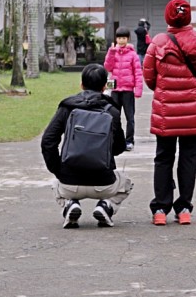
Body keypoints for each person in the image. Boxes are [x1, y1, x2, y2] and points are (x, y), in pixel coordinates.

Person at [143, 0, 196, 226]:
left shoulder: (158, 42)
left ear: (167, 17)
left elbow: (149, 78)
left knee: (163, 158)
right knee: (189, 158)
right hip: (193, 109)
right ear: (188, 16)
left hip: (166, 110)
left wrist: (165, 89)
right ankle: (184, 207)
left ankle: (161, 209)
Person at [40, 62, 133, 228]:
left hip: (69, 184)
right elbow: (119, 147)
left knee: (55, 183)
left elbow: (48, 141)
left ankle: (69, 205)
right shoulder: (112, 111)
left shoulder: (67, 107)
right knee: (126, 183)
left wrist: (58, 169)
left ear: (81, 85)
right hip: (104, 183)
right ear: (105, 86)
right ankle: (107, 206)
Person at [104, 27, 143, 149]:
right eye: (119, 38)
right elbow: (108, 67)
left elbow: (138, 72)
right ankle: (116, 140)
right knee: (114, 116)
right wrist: (111, 52)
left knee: (129, 117)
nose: (121, 40)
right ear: (116, 39)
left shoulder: (133, 55)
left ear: (128, 39)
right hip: (115, 90)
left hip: (127, 91)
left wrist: (138, 90)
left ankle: (129, 141)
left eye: (124, 38)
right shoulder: (113, 52)